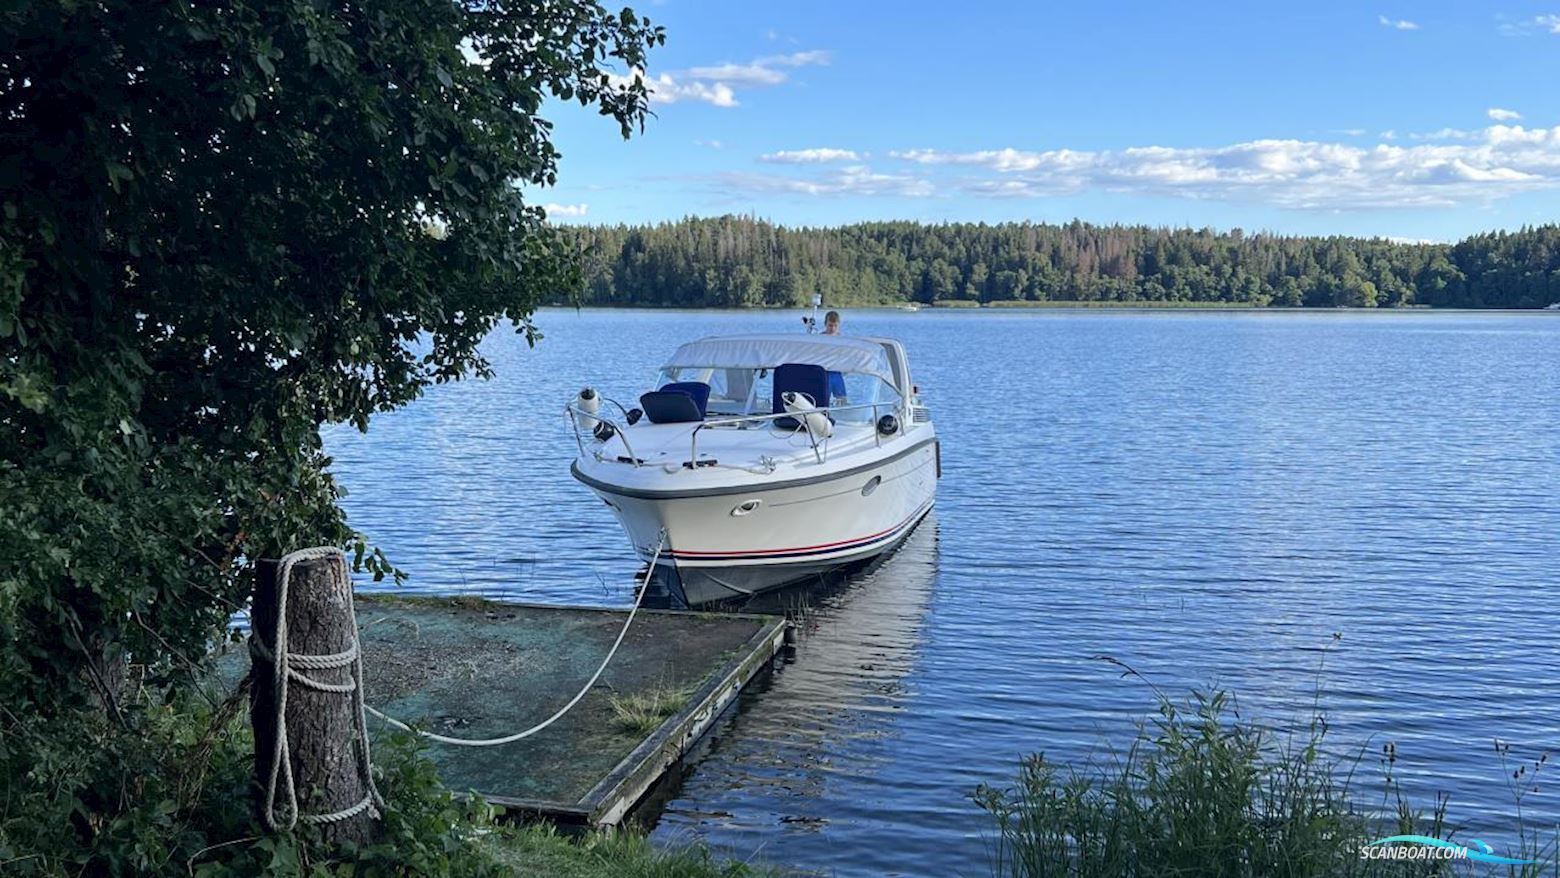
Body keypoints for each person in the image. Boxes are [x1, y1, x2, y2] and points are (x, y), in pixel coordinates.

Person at [821, 310, 847, 402]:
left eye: (835, 326)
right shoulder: (819, 339)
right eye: (830, 325)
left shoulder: (842, 339)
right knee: (824, 398)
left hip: (836, 372)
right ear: (825, 324)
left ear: (838, 325)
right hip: (824, 373)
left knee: (842, 399)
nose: (832, 328)